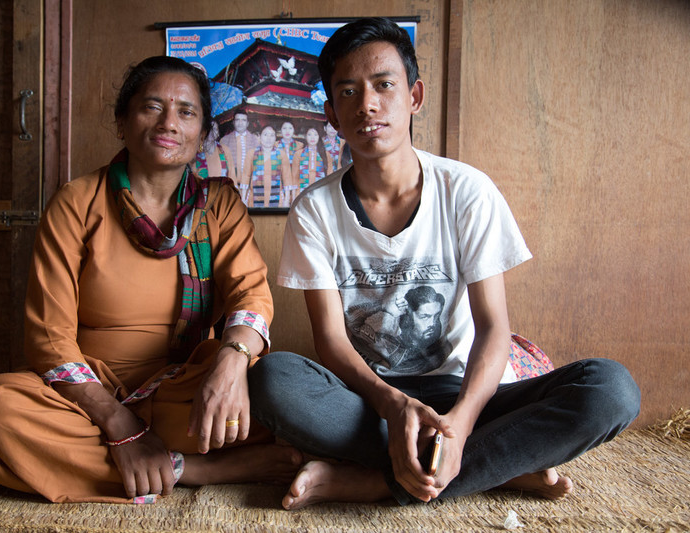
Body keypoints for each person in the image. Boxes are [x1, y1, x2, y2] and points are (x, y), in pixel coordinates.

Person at [248, 18, 640, 510]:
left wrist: (460, 425)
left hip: (463, 392)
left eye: (384, 85)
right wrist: (392, 403)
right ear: (330, 113)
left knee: (610, 390)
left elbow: (494, 327)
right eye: (348, 91)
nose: (367, 104)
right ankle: (494, 468)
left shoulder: (466, 191)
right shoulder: (314, 209)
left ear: (414, 96)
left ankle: (377, 480)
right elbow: (330, 342)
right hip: (368, 403)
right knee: (273, 379)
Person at [0, 56, 301, 504]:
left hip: (185, 388)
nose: (169, 123)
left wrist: (232, 362)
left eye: (187, 112)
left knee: (274, 398)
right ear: (122, 121)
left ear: (205, 133)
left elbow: (250, 294)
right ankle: (194, 470)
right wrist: (121, 426)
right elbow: (49, 339)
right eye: (152, 107)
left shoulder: (219, 205)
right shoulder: (77, 202)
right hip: (84, 396)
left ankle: (29, 464)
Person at [245, 125, 290, 208]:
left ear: (275, 138)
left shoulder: (281, 154)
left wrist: (287, 200)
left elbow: (286, 178)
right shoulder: (251, 153)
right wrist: (243, 200)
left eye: (272, 135)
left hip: (277, 198)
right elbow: (246, 176)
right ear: (260, 136)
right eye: (265, 135)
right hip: (254, 197)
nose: (268, 138)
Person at [219, 111, 260, 197]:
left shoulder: (256, 140)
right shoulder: (224, 140)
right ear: (233, 122)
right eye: (237, 120)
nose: (240, 123)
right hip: (230, 185)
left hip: (251, 186)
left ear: (247, 123)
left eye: (243, 120)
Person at [290, 126, 332, 203]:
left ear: (319, 137)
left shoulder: (326, 155)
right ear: (305, 136)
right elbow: (294, 177)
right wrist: (293, 197)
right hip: (302, 193)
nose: (312, 137)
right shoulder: (298, 154)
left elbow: (330, 177)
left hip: (321, 194)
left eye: (315, 135)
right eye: (309, 134)